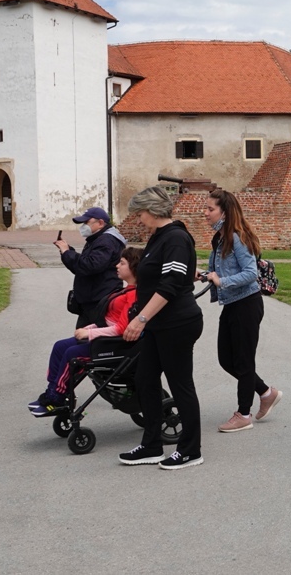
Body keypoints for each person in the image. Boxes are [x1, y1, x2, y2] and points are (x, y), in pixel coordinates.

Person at [118, 187, 204, 470]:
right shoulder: (159, 238)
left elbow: (169, 286)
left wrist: (140, 318)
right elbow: (170, 273)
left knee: (181, 386)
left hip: (177, 323)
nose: (139, 219)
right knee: (145, 381)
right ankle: (152, 445)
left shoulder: (176, 238)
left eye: (140, 213)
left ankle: (190, 450)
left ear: (153, 211)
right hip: (159, 324)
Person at [204, 189, 282, 433]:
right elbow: (221, 270)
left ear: (224, 212)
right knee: (227, 360)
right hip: (232, 304)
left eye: (210, 209)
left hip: (246, 304)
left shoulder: (236, 236)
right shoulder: (221, 237)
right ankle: (266, 393)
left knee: (243, 361)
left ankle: (243, 414)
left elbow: (251, 273)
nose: (205, 213)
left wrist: (222, 281)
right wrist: (207, 276)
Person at [29, 247, 141, 416]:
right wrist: (90, 327)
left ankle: (57, 396)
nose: (117, 266)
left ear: (134, 268)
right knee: (60, 347)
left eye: (122, 263)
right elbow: (109, 321)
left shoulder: (133, 295)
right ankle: (53, 391)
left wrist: (89, 334)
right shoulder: (125, 290)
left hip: (114, 345)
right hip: (103, 339)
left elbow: (121, 329)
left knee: (73, 355)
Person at [55, 206, 127, 327]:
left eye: (86, 222)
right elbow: (84, 265)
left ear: (100, 223)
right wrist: (67, 251)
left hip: (99, 299)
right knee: (82, 338)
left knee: (88, 339)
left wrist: (67, 253)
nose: (83, 226)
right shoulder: (97, 239)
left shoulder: (106, 241)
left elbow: (90, 266)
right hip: (93, 298)